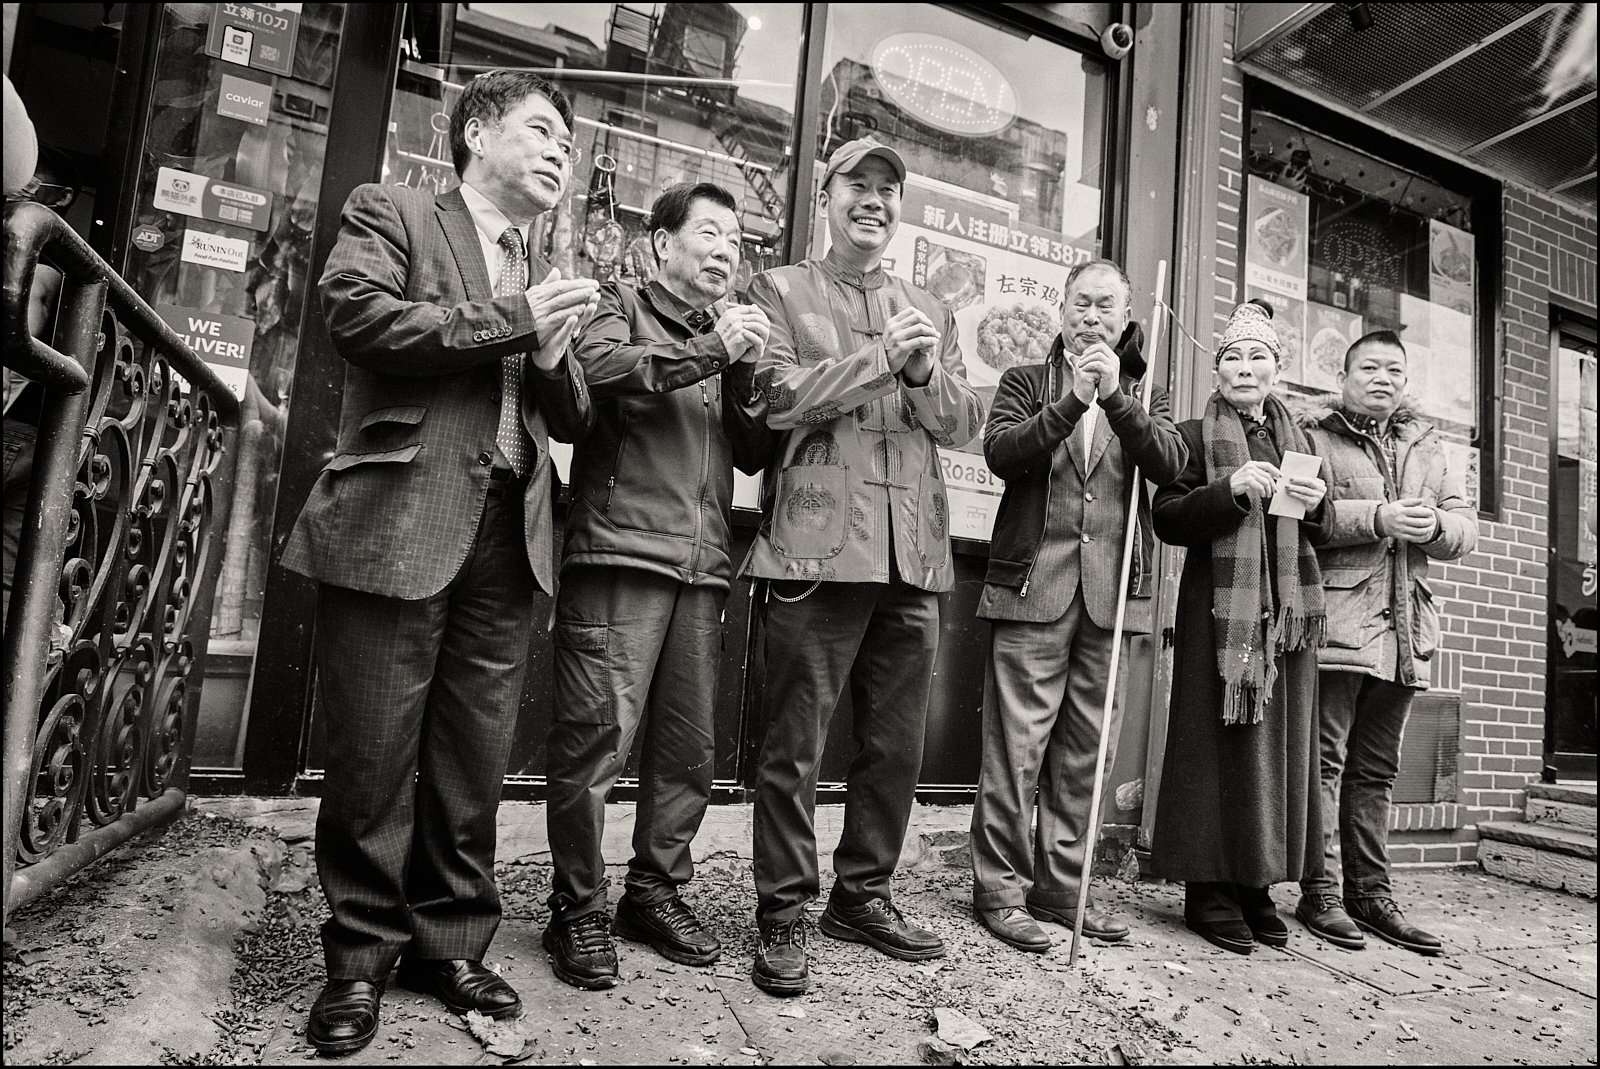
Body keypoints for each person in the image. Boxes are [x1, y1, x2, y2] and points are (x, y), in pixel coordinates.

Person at [280, 71, 598, 1054]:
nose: (559, 153)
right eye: (542, 131)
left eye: (567, 143)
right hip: (401, 518)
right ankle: (360, 958)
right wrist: (517, 322)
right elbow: (361, 319)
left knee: (471, 759)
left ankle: (447, 941)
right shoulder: (394, 211)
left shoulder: (539, 266)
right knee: (375, 754)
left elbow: (576, 415)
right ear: (476, 132)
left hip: (509, 530)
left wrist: (549, 354)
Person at [741, 136, 982, 996]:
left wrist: (921, 369)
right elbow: (771, 398)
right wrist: (879, 359)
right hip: (815, 548)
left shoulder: (931, 307)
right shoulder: (777, 288)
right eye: (858, 184)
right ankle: (782, 911)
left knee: (895, 747)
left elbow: (962, 424)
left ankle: (864, 894)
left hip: (912, 553)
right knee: (794, 746)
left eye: (888, 188)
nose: (873, 199)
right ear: (827, 193)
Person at [542, 182, 772, 989]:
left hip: (703, 567)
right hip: (619, 556)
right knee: (595, 737)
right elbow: (602, 370)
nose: (725, 250)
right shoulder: (616, 303)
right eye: (708, 232)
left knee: (687, 751)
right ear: (660, 242)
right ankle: (576, 904)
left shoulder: (724, 335)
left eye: (736, 241)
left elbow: (746, 452)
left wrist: (744, 371)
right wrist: (715, 351)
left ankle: (654, 889)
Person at [969, 259, 1186, 952]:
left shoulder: (1144, 390)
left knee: (1085, 755)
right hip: (1034, 587)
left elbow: (1172, 464)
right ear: (1060, 311)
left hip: (1111, 599)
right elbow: (1002, 451)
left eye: (1105, 307)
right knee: (1017, 751)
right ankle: (1000, 892)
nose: (1091, 316)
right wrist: (1072, 403)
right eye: (1081, 303)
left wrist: (1116, 399)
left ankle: (1063, 889)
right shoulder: (1026, 382)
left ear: (1125, 320)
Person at [1147, 299, 1331, 955]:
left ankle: (1256, 886)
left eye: (1258, 356)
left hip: (1285, 621)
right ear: (1217, 368)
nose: (1244, 367)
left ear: (1277, 368)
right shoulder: (1196, 434)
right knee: (1216, 743)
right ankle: (1209, 891)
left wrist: (1316, 505)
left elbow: (1323, 528)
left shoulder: (1301, 441)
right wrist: (1230, 490)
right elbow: (1165, 517)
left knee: (1276, 748)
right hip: (1218, 612)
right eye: (1231, 356)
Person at [1293, 330, 1477, 956]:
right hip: (1341, 622)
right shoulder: (1314, 436)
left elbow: (1464, 526)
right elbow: (1299, 521)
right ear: (1343, 376)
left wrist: (1437, 527)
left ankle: (1370, 893)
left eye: (1393, 369)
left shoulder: (1426, 444)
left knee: (1377, 770)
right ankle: (1320, 891)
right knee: (1326, 764)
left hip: (1407, 628)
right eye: (1368, 367)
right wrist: (1377, 518)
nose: (1382, 377)